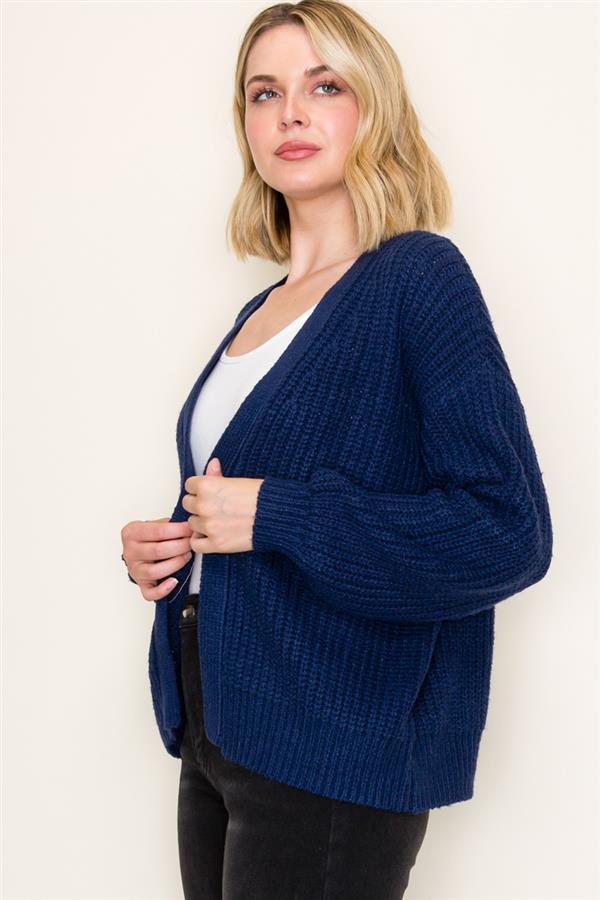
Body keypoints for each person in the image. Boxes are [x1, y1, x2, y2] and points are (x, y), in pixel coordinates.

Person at [120, 1, 553, 897]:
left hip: (334, 741)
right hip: (218, 722)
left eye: (325, 87)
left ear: (374, 108)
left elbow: (508, 530)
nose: (290, 113)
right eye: (264, 92)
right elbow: (242, 506)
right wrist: (174, 547)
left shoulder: (418, 278)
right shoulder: (261, 310)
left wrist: (279, 514)